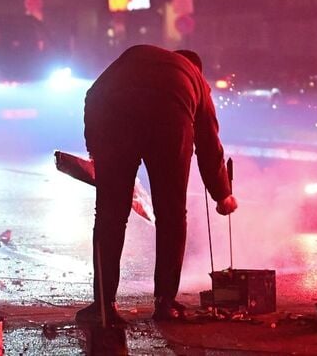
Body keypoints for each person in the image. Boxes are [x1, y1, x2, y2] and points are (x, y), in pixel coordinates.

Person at [76, 45, 238, 326]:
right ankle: (165, 303)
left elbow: (92, 95)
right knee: (172, 215)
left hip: (113, 116)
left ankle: (103, 304)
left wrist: (95, 149)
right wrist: (222, 194)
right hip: (169, 121)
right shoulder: (195, 79)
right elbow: (209, 144)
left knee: (110, 216)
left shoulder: (137, 57)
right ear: (197, 69)